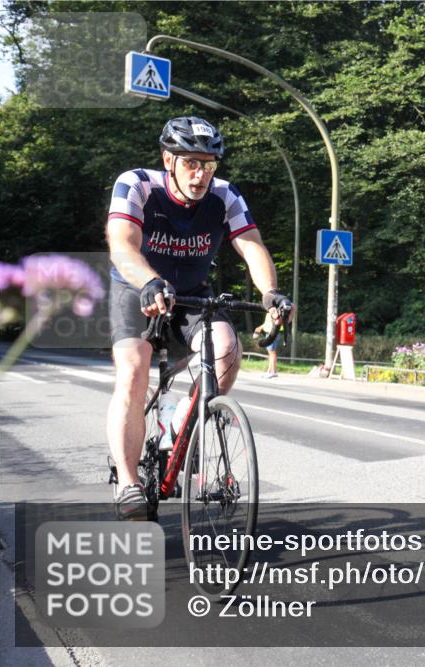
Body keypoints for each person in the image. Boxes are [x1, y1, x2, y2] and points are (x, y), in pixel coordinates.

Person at [105, 116, 292, 520]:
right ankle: (128, 482)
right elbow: (122, 245)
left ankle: (180, 428)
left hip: (191, 293)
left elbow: (251, 245)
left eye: (208, 164)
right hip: (136, 288)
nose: (201, 173)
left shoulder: (225, 195)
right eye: (191, 162)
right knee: (134, 372)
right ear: (167, 160)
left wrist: (269, 293)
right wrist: (149, 282)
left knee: (227, 350)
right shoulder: (137, 184)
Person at [253, 312, 279, 378]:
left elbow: (276, 323)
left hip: (272, 334)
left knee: (272, 353)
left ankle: (273, 372)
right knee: (270, 353)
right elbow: (267, 323)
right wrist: (259, 327)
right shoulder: (269, 312)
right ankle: (269, 371)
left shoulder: (274, 312)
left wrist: (272, 333)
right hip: (269, 333)